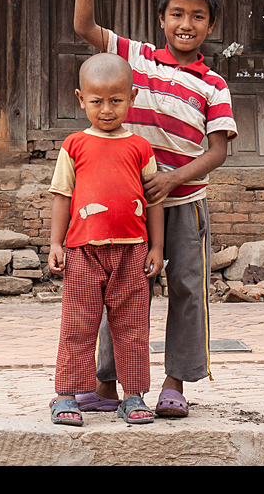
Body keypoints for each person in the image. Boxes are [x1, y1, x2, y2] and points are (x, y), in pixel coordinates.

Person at [73, 0, 238, 419]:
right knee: (119, 290)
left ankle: (175, 384)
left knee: (187, 289)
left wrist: (173, 179)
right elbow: (85, 28)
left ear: (211, 25)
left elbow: (218, 151)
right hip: (130, 206)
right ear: (162, 18)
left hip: (185, 203)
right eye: (177, 14)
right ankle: (107, 384)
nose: (187, 24)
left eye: (198, 16)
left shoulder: (214, 84)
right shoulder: (136, 59)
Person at [48, 53, 165, 427]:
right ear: (81, 99)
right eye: (96, 101)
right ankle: (66, 394)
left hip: (133, 251)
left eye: (116, 100)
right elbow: (62, 196)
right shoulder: (74, 145)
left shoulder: (140, 148)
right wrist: (55, 243)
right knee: (78, 323)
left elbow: (154, 202)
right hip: (82, 251)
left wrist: (157, 247)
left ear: (131, 97)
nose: (107, 110)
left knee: (132, 325)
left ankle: (133, 396)